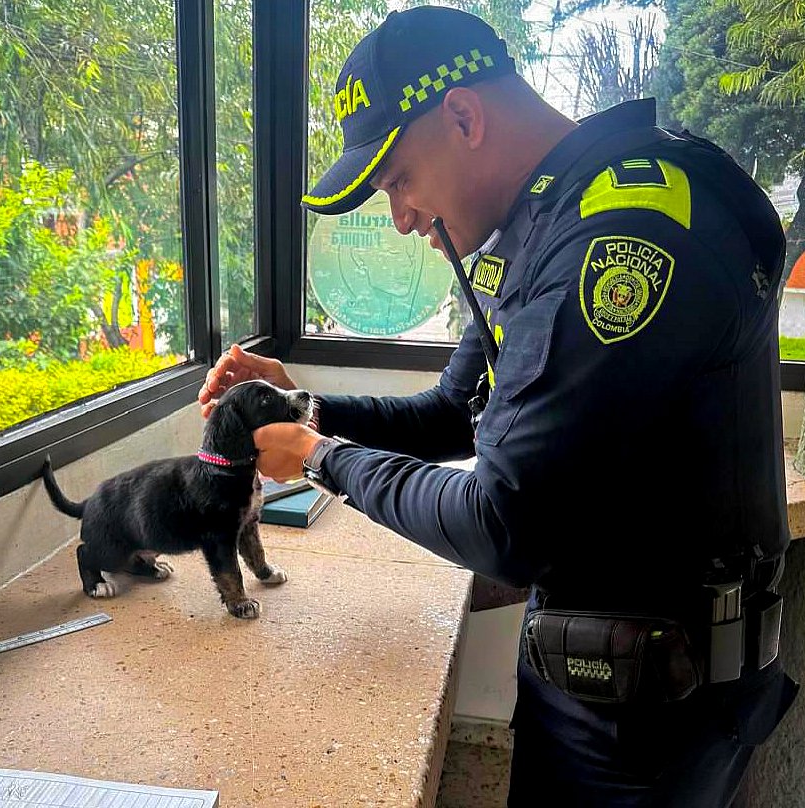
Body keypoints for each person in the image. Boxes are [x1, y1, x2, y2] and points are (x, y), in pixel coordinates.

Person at [198, 6, 798, 805]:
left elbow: (502, 526)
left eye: (399, 180)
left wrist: (319, 459)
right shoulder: (539, 226)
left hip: (655, 715)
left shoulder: (620, 240)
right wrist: (298, 404)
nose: (402, 217)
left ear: (464, 116)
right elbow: (453, 412)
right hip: (596, 663)